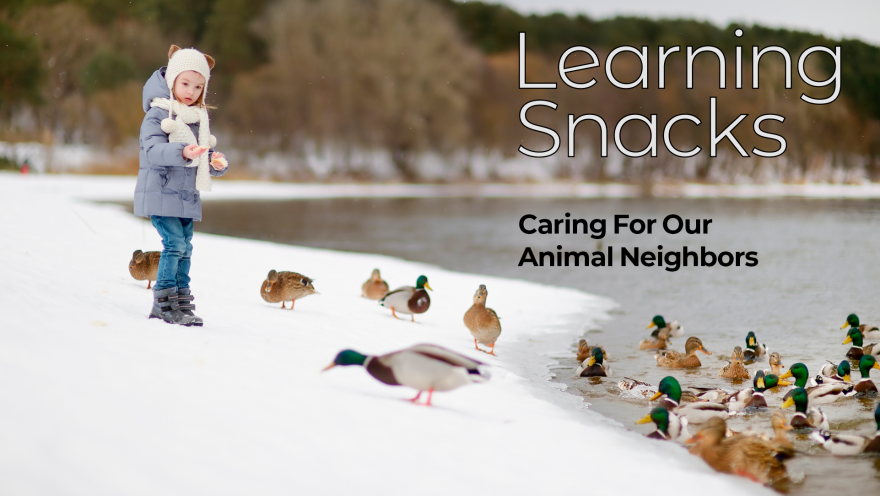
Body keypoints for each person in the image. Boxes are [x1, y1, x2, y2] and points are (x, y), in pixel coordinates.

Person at [133, 45, 229, 326]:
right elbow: (152, 150)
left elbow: (199, 153)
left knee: (185, 247)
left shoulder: (197, 118)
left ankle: (181, 301)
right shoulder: (157, 114)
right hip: (161, 192)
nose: (191, 91)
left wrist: (213, 162)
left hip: (185, 196)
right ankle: (163, 301)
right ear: (172, 79)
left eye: (198, 87)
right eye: (185, 83)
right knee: (174, 244)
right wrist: (182, 152)